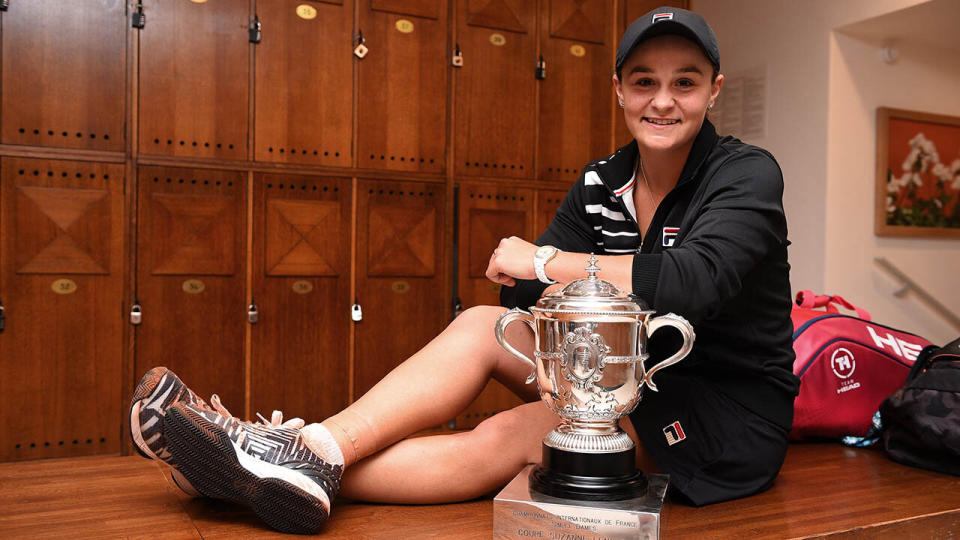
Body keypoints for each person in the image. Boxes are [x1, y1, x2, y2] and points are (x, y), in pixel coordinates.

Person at [129, 7, 799, 534]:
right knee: (484, 323)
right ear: (619, 89)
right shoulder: (605, 179)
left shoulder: (744, 173)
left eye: (684, 81)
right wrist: (550, 279)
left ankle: (251, 464)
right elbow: (529, 293)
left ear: (713, 89)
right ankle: (301, 451)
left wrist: (548, 260)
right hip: (618, 373)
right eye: (645, 81)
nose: (663, 100)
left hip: (723, 414)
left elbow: (693, 280)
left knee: (516, 433)